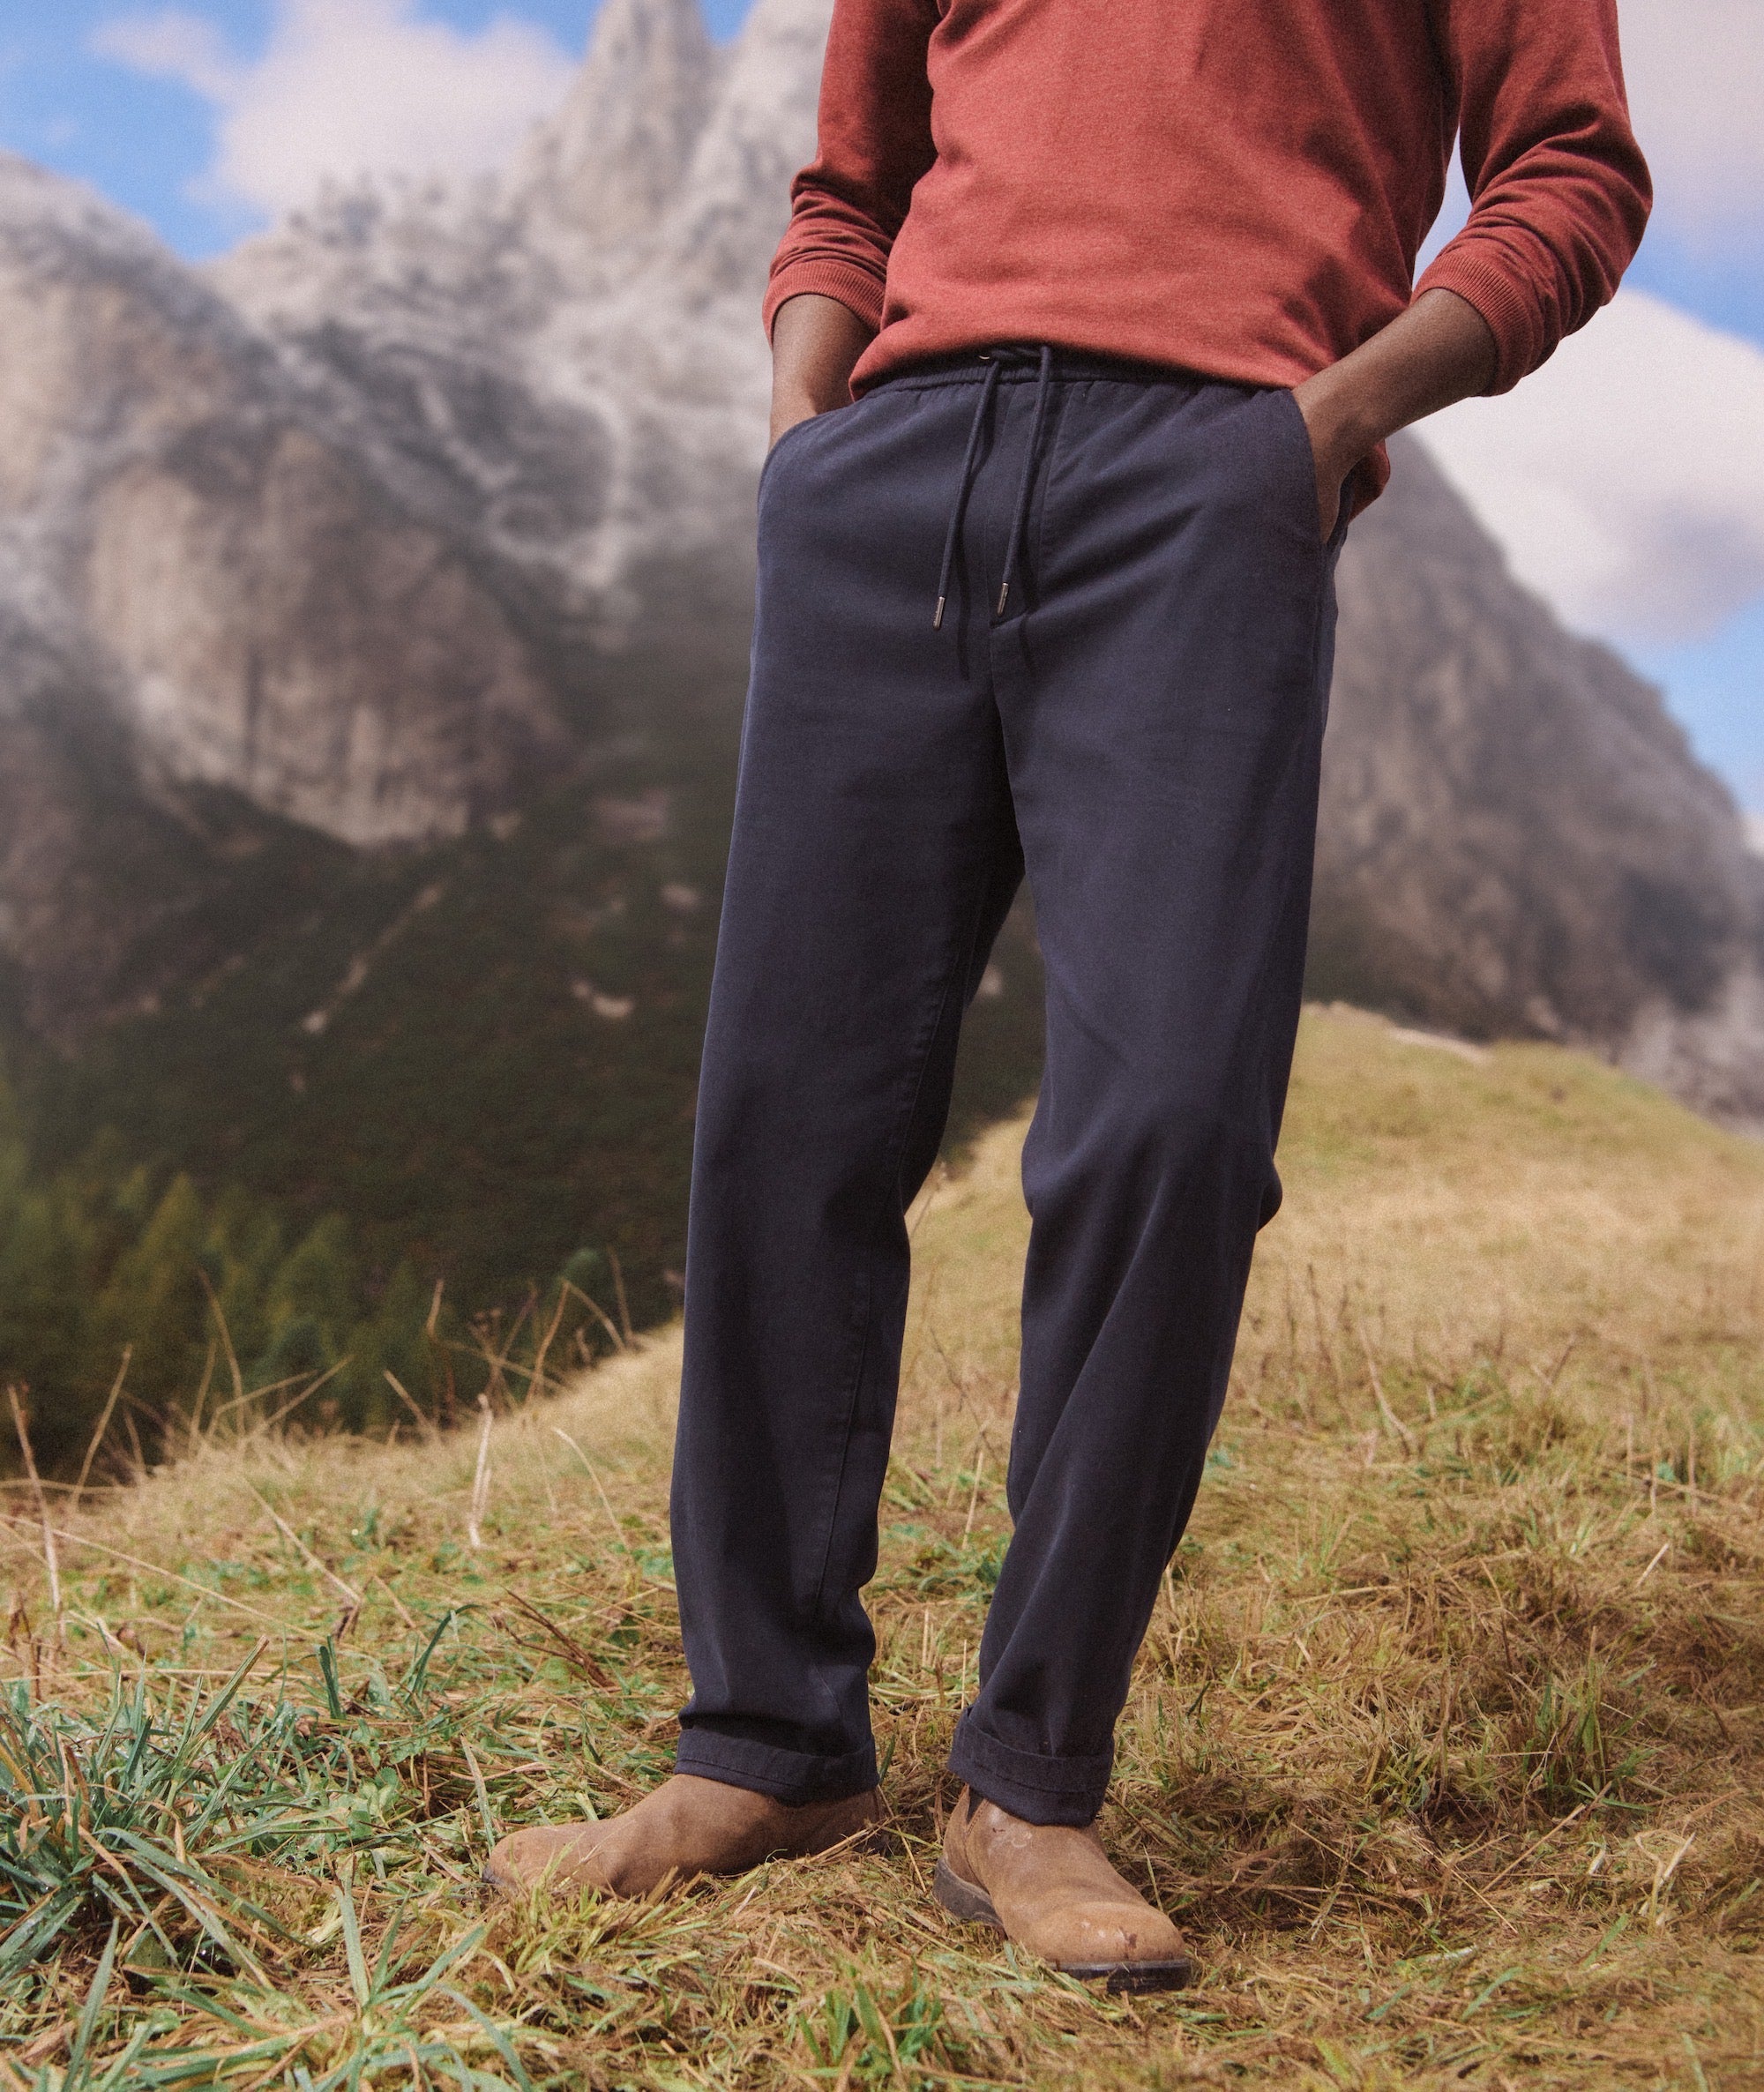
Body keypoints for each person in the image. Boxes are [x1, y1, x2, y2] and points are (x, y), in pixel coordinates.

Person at [488, 0, 1649, 1989]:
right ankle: (764, 1743)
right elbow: (852, 184)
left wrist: (1322, 423)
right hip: (887, 481)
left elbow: (1573, 173)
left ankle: (1030, 1777)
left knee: (1173, 1127)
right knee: (787, 1118)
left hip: (1207, 480)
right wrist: (804, 436)